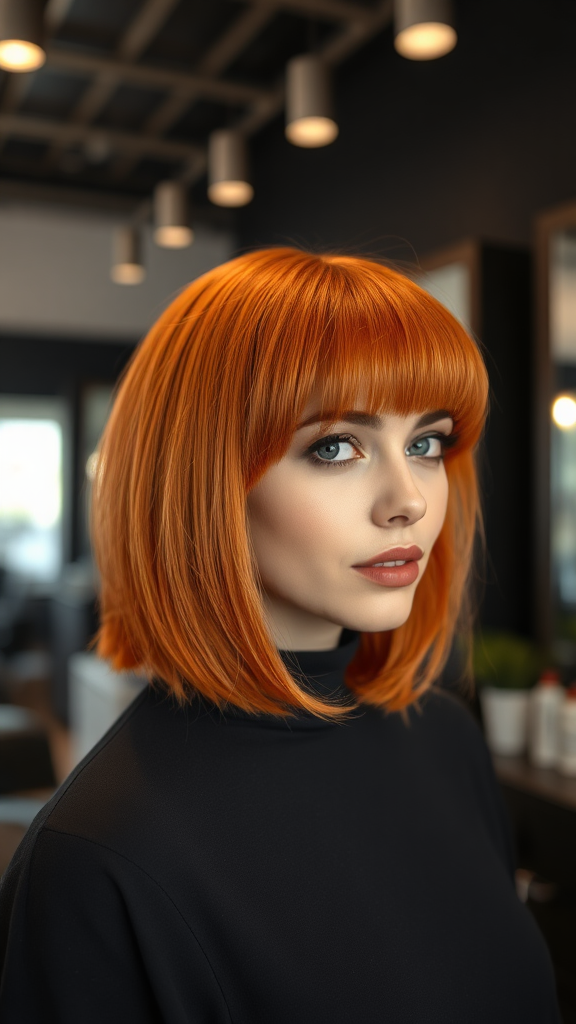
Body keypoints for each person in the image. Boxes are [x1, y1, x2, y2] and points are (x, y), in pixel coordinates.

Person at [0, 248, 562, 1022]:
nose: (408, 501)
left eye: (426, 443)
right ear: (204, 476)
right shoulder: (98, 861)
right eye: (336, 447)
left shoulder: (443, 736)